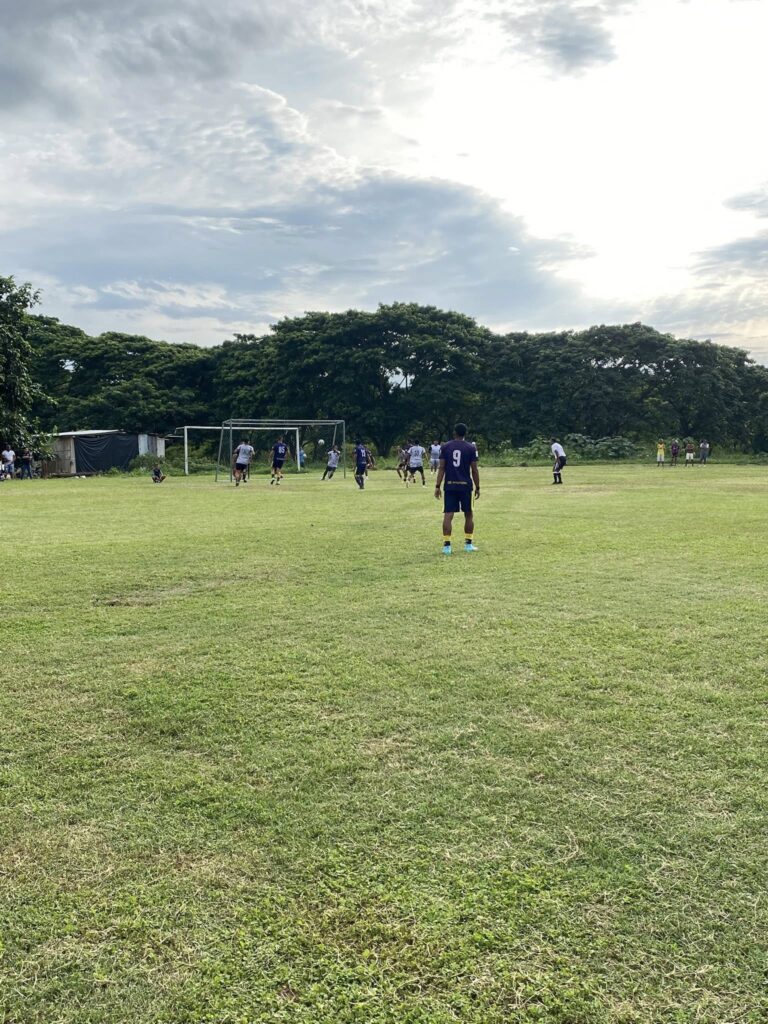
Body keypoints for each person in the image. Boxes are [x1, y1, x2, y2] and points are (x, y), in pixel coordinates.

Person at [435, 423, 480, 554]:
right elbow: (474, 470)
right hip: (465, 486)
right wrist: (478, 487)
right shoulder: (471, 448)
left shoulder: (446, 446)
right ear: (465, 433)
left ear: (454, 432)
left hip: (450, 485)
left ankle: (447, 546)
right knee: (469, 514)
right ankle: (468, 544)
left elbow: (442, 467)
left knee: (448, 514)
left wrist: (437, 486)